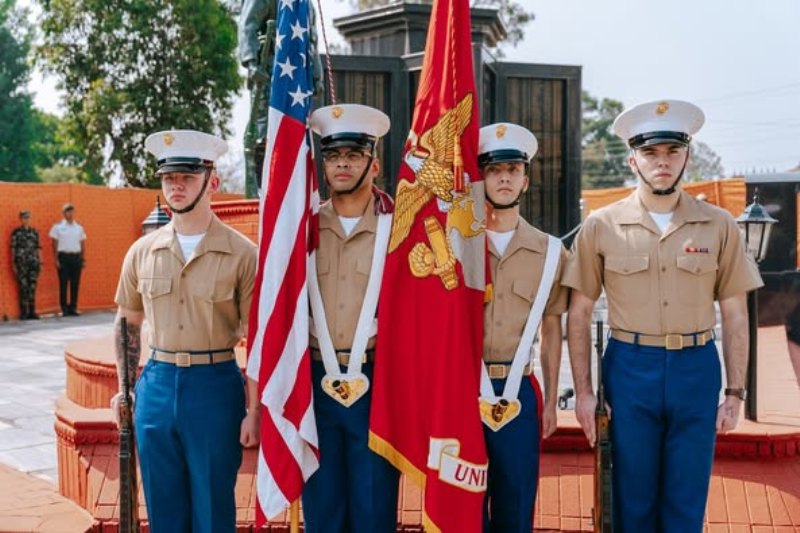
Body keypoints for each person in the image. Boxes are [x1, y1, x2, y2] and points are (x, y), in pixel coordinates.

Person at [563, 99, 763, 532]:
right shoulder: (602, 225)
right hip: (631, 369)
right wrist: (582, 392)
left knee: (686, 504)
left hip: (696, 369)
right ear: (633, 158)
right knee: (632, 504)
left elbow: (734, 312)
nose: (663, 162)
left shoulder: (719, 224)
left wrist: (735, 391)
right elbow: (578, 313)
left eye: (672, 152)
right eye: (651, 153)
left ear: (687, 156)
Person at [111, 130, 258, 533]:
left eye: (187, 176)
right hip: (156, 383)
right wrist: (125, 388)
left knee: (212, 509)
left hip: (214, 385)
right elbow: (127, 323)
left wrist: (256, 409)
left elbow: (259, 340)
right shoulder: (142, 251)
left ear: (212, 182)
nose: (176, 185)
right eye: (168, 177)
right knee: (162, 507)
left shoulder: (243, 254)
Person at [302, 103, 399, 533]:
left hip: (378, 384)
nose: (342, 163)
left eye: (354, 154)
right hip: (314, 383)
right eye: (333, 155)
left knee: (373, 509)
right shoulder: (301, 230)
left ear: (374, 164)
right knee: (322, 511)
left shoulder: (399, 229)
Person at [477, 123, 567, 532]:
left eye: (513, 170)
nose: (505, 178)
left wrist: (549, 400)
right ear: (482, 179)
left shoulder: (550, 252)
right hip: (463, 391)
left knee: (516, 505)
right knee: (464, 506)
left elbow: (552, 330)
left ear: (526, 180)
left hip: (520, 392)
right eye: (495, 171)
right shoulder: (453, 245)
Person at [49, 203, 86, 316]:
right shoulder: (58, 227)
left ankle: (73, 307)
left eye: (71, 211)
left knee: (75, 283)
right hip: (63, 257)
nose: (70, 214)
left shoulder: (79, 227)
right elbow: (54, 244)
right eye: (67, 211)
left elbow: (82, 243)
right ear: (64, 213)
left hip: (76, 256)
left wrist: (83, 259)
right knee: (63, 283)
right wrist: (56, 259)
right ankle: (64, 308)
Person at [11, 210, 42, 320]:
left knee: (32, 287)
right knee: (23, 287)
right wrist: (13, 263)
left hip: (33, 262)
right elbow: (13, 248)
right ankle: (24, 312)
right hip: (21, 263)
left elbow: (38, 248)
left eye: (28, 217)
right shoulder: (16, 232)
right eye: (24, 218)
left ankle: (32, 311)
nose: (26, 220)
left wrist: (40, 262)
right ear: (20, 219)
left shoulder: (35, 232)